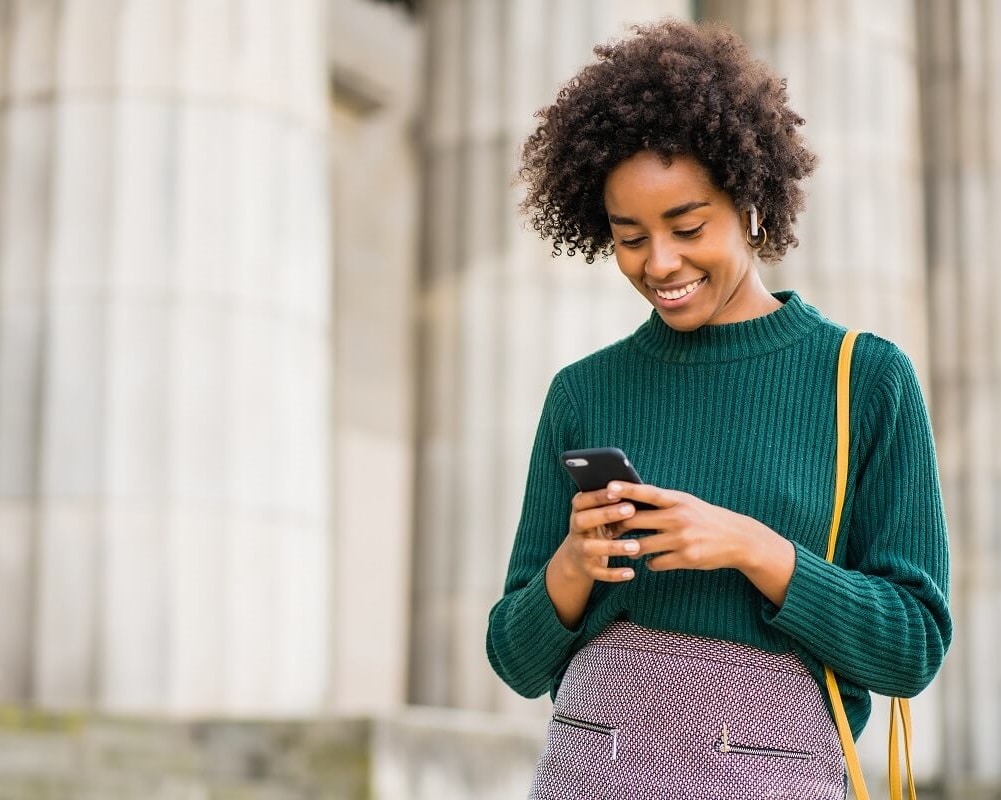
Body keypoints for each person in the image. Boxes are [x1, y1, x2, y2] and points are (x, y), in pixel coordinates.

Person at [485, 17, 952, 799]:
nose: (659, 263)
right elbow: (515, 659)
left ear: (751, 202)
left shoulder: (863, 378)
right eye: (629, 236)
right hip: (585, 769)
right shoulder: (583, 391)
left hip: (772, 773)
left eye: (687, 226)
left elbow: (911, 646)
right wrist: (572, 565)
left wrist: (751, 549)